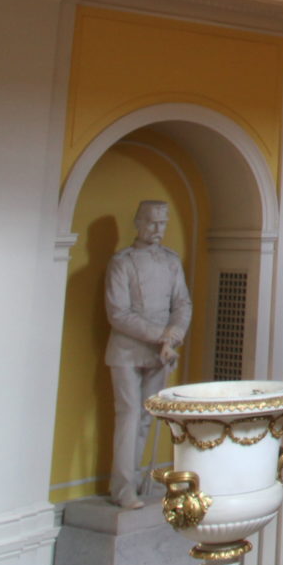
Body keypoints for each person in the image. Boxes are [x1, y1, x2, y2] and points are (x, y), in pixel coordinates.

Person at [104, 200, 193, 509]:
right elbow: (118, 313)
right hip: (127, 351)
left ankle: (139, 478)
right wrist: (162, 336)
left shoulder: (170, 261)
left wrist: (174, 336)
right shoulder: (122, 262)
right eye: (152, 222)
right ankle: (122, 487)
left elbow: (182, 303)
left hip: (161, 351)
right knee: (128, 416)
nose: (157, 229)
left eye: (162, 223)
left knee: (145, 419)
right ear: (138, 223)